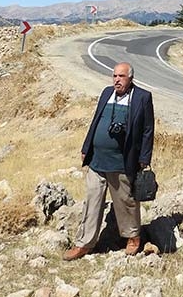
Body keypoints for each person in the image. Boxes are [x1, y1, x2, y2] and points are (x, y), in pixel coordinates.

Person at [63, 62, 155, 261]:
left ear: (130, 78)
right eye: (114, 76)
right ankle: (84, 243)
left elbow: (148, 130)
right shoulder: (106, 93)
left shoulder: (142, 97)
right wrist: (86, 147)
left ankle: (133, 237)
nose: (116, 80)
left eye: (121, 76)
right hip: (97, 160)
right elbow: (96, 121)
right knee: (92, 202)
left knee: (126, 202)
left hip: (122, 161)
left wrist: (144, 158)